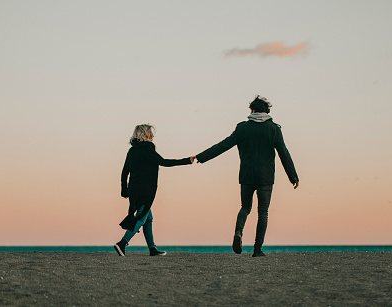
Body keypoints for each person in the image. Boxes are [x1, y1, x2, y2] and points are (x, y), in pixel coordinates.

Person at [193, 95, 299, 257]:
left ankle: (238, 232)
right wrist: (293, 177)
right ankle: (257, 250)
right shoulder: (274, 129)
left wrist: (201, 157)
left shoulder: (243, 128)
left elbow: (224, 145)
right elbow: (284, 153)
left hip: (247, 175)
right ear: (267, 111)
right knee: (263, 212)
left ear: (253, 110)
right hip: (266, 177)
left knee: (245, 207)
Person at [115, 124, 195, 256]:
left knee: (148, 217)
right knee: (141, 216)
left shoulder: (132, 150)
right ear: (146, 134)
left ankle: (152, 248)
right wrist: (187, 160)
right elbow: (164, 162)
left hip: (133, 189)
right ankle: (122, 243)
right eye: (150, 133)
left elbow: (124, 172)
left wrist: (124, 190)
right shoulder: (148, 149)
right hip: (146, 190)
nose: (152, 135)